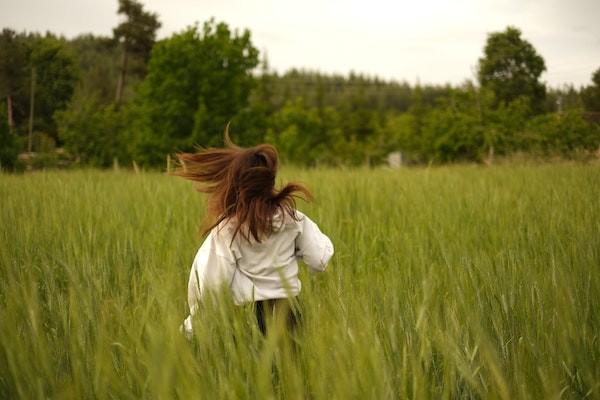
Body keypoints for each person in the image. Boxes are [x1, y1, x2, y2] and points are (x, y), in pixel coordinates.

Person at [172, 129, 334, 339]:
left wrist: (188, 329)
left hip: (251, 318)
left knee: (259, 370)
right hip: (290, 312)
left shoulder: (229, 230)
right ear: (270, 181)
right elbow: (319, 260)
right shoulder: (294, 219)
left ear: (236, 184)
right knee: (291, 370)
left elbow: (213, 286)